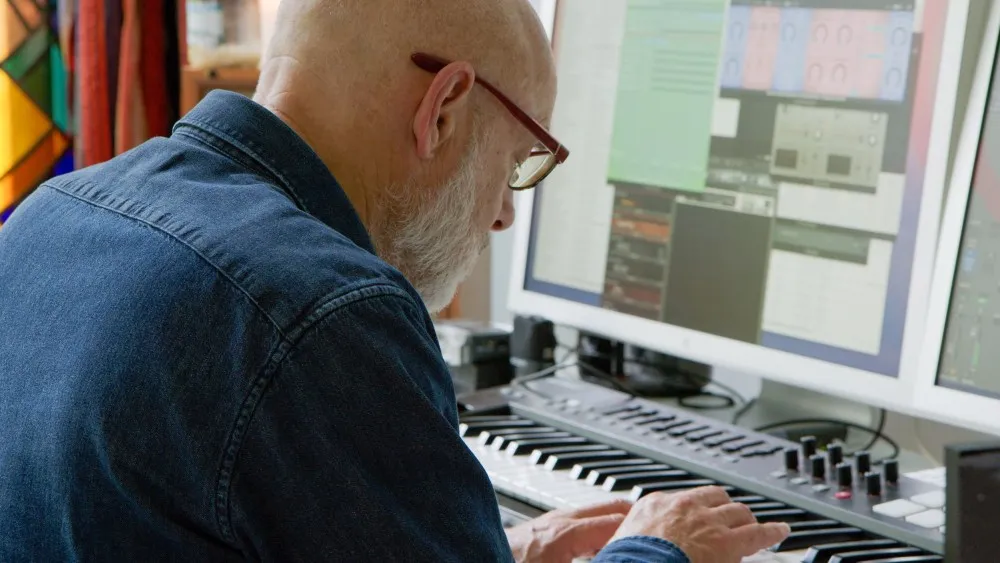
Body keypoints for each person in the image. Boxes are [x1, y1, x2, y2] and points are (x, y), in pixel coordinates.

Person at [0, 0, 790, 561]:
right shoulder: (325, 311)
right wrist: (659, 548)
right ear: (442, 107)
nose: (505, 220)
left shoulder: (50, 213)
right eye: (516, 163)